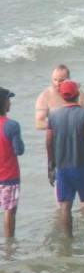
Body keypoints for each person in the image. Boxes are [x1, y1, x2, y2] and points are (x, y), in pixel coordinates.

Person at [45, 79, 84, 238]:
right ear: (77, 94)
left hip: (62, 167)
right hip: (82, 166)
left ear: (62, 96)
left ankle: (68, 240)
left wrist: (51, 165)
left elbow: (48, 142)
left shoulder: (53, 116)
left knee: (66, 205)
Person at [35, 65, 84, 130]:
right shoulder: (45, 96)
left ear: (69, 79)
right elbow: (39, 124)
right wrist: (61, 125)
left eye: (61, 80)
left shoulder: (79, 93)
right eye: (55, 80)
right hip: (58, 136)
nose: (57, 83)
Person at [0, 88, 24, 239]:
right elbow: (19, 150)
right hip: (9, 176)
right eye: (9, 100)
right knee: (9, 210)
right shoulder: (12, 125)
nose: (10, 103)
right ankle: (9, 243)